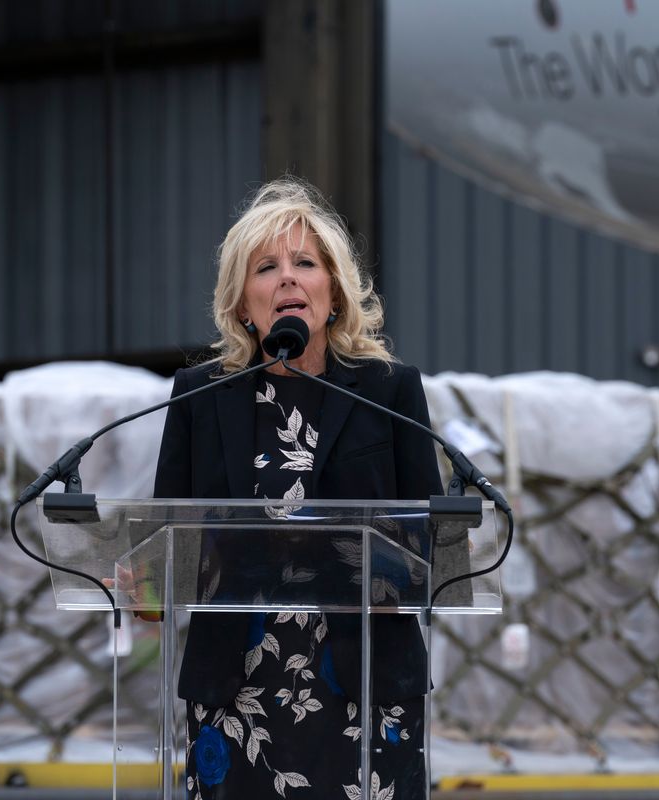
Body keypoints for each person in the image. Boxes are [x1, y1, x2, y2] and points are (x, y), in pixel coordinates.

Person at [153, 178, 445, 799]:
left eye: (304, 263)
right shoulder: (201, 396)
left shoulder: (388, 389)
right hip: (236, 690)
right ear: (242, 304)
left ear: (332, 291)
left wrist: (403, 571)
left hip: (365, 683)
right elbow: (164, 539)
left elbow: (433, 535)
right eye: (267, 268)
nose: (287, 278)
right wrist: (147, 585)